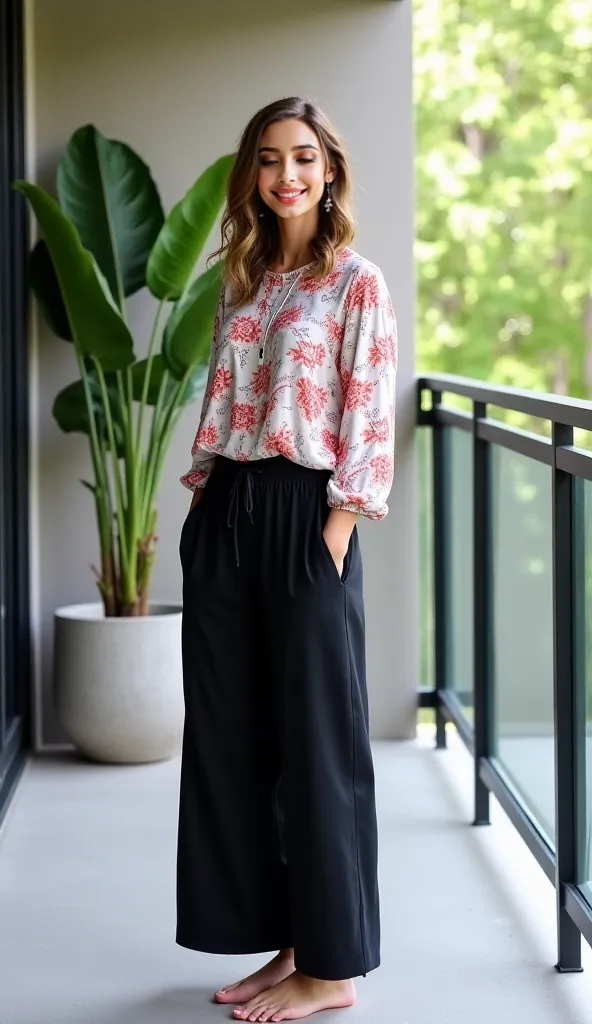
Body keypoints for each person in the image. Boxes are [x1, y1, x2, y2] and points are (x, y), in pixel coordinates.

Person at [176, 96, 397, 1023]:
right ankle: (288, 940)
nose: (286, 175)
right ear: (252, 174)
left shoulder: (358, 282)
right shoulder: (246, 278)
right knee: (236, 739)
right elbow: (225, 400)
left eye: (302, 157)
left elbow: (369, 407)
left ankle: (333, 965)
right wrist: (204, 510)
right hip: (228, 507)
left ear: (330, 168)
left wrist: (337, 527)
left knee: (318, 743)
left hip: (310, 514)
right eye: (268, 160)